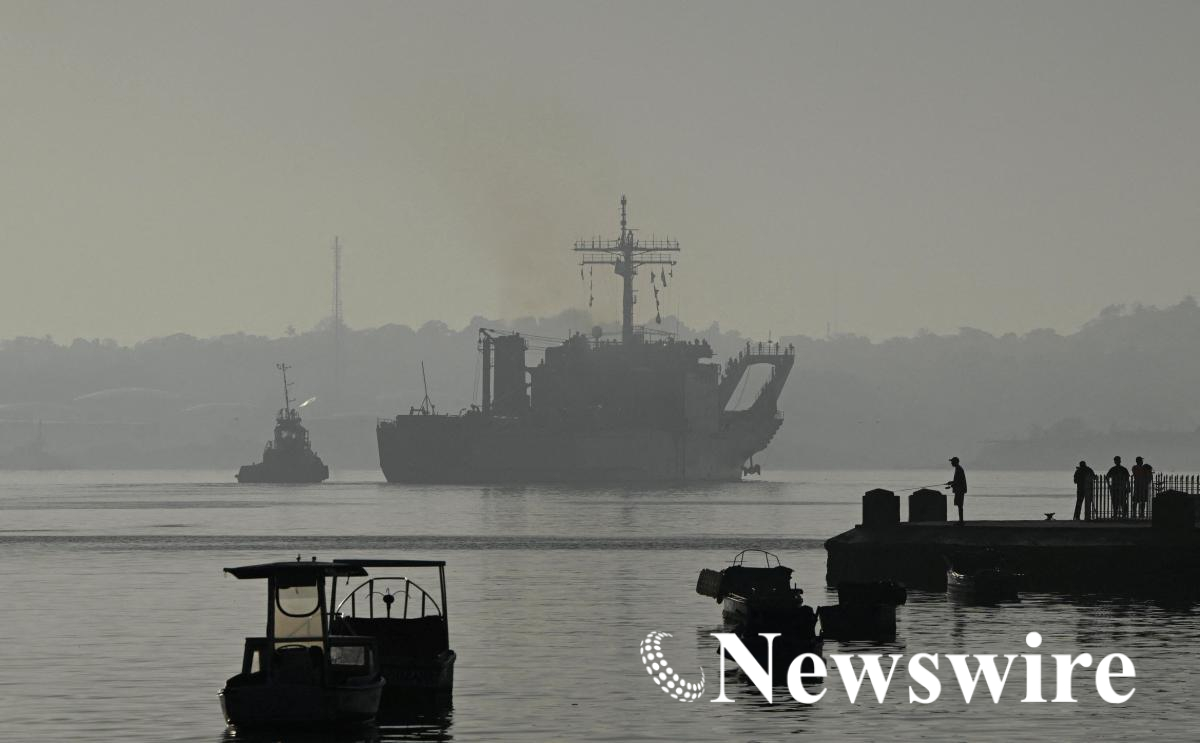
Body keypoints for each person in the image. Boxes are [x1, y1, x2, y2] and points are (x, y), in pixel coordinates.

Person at [945, 456, 967, 524]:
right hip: (959, 489)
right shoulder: (958, 469)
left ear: (955, 462)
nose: (951, 463)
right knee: (959, 505)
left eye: (952, 462)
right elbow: (957, 481)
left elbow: (958, 481)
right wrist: (951, 483)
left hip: (960, 490)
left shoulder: (959, 469)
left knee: (960, 505)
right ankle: (961, 520)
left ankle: (961, 521)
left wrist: (951, 485)